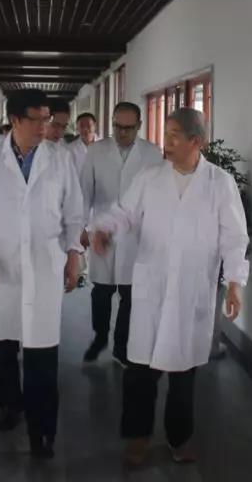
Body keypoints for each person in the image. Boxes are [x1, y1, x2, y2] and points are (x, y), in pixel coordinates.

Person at [91, 108, 249, 467]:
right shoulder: (150, 178)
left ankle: (179, 439)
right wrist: (105, 229)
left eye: (175, 135)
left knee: (183, 374)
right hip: (152, 286)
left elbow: (234, 237)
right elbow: (124, 212)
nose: (167, 141)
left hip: (191, 290)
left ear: (196, 142)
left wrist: (235, 283)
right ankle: (137, 437)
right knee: (139, 372)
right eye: (166, 133)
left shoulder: (219, 183)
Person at [0, 88, 85, 460]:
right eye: (37, 119)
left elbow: (74, 213)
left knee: (43, 356)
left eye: (48, 119)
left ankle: (43, 431)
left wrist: (74, 254)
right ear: (14, 120)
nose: (45, 126)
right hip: (2, 264)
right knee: (4, 346)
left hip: (45, 265)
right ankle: (10, 405)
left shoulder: (59, 159)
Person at [79, 102, 163, 366]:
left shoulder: (152, 153)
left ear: (139, 126)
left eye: (128, 128)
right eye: (117, 126)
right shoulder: (96, 150)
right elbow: (84, 191)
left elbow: (157, 197)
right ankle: (100, 337)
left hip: (135, 235)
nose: (122, 132)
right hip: (101, 229)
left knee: (130, 294)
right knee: (101, 292)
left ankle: (121, 346)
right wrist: (83, 227)